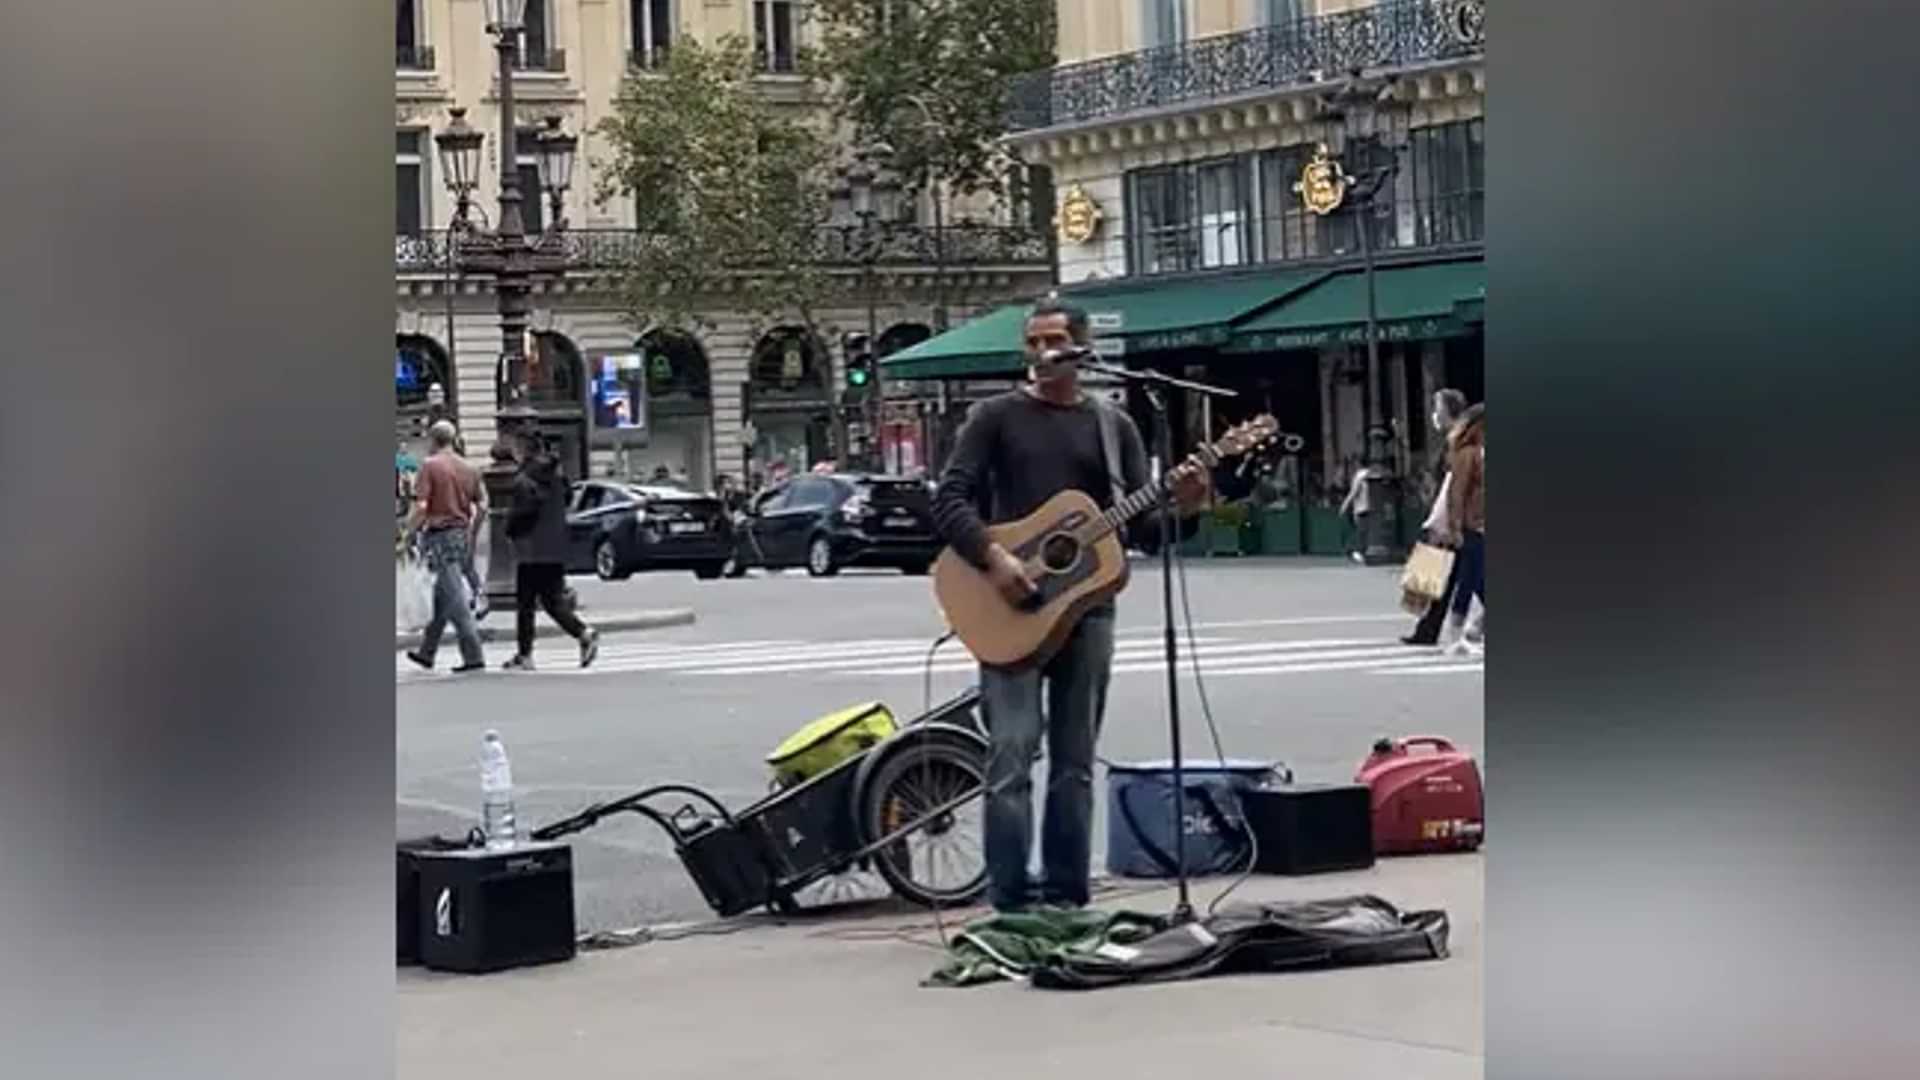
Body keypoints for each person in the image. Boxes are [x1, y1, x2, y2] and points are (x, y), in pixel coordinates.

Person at [931, 299, 1210, 914]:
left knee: (1075, 761)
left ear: (1081, 349)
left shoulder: (1114, 427)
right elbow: (949, 499)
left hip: (1086, 613)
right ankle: (1007, 899)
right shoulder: (995, 417)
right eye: (1033, 341)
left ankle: (1066, 895)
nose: (1041, 351)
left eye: (1054, 339)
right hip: (1008, 606)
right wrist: (993, 558)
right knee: (1010, 754)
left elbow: (1141, 529)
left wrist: (1185, 505)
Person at [502, 432, 600, 672]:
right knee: (552, 601)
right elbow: (566, 500)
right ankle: (583, 633)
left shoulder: (524, 478)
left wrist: (509, 528)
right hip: (555, 547)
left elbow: (521, 513)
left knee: (525, 604)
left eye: (516, 447)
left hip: (531, 549)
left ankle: (526, 655)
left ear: (524, 449)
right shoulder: (558, 476)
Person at [404, 421, 487, 674]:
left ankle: (474, 655)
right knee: (442, 597)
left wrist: (408, 532)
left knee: (455, 599)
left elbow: (421, 507)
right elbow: (482, 505)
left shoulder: (430, 466)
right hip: (461, 533)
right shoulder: (470, 468)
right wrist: (472, 532)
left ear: (433, 440)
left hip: (440, 536)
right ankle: (427, 653)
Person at [1403, 390, 1470, 646]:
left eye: (1436, 406)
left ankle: (1426, 629)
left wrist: (1442, 518)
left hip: (1454, 515)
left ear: (1447, 410)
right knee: (1444, 575)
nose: (1433, 412)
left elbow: (1454, 481)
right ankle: (1426, 630)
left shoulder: (1458, 440)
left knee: (1462, 575)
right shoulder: (1452, 439)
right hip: (1450, 514)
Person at [1435, 400, 1485, 655]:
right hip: (1473, 524)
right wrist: (1455, 526)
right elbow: (1457, 492)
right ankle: (1456, 636)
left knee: (1478, 578)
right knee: (1469, 579)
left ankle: (1471, 629)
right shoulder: (1468, 453)